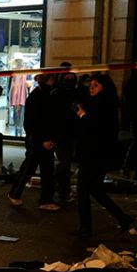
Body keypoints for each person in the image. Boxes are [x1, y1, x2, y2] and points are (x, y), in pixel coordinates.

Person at [72, 73, 133, 237]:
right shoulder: (99, 102)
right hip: (97, 153)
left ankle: (86, 226)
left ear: (104, 88)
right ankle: (122, 217)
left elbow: (96, 128)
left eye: (96, 85)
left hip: (95, 154)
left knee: (84, 189)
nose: (91, 88)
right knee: (95, 189)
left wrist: (83, 116)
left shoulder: (104, 105)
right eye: (91, 84)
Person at [7, 73, 59, 210]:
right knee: (31, 168)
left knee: (44, 169)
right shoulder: (40, 97)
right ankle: (16, 193)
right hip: (38, 139)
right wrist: (43, 139)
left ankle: (44, 199)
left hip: (41, 138)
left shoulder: (44, 95)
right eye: (53, 79)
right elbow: (34, 122)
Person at [51, 62, 79, 203]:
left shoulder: (75, 91)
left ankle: (62, 189)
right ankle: (62, 191)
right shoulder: (57, 92)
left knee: (66, 162)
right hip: (61, 133)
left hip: (72, 132)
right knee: (64, 162)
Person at [7, 59, 29, 137]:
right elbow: (13, 86)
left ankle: (18, 129)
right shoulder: (16, 74)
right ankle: (18, 129)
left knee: (19, 113)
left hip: (20, 96)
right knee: (19, 113)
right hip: (19, 96)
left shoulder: (22, 74)